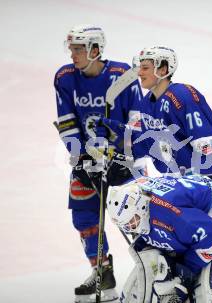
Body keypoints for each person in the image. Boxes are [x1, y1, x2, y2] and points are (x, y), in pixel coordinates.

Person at [101, 46, 212, 302]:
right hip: (187, 194)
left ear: (164, 69)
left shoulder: (183, 96)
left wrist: (188, 186)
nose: (140, 73)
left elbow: (208, 151)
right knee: (196, 267)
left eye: (146, 67)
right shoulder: (148, 103)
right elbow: (143, 141)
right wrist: (117, 146)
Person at [54, 24, 141, 302]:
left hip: (122, 160)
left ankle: (153, 272)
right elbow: (67, 121)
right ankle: (102, 273)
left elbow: (136, 120)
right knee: (84, 218)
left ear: (95, 49)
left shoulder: (122, 75)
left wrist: (120, 153)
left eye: (78, 49)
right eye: (72, 48)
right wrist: (79, 155)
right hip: (86, 159)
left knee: (139, 220)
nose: (73, 54)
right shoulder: (65, 77)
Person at [106, 174, 212, 303]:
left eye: (132, 221)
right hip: (195, 211)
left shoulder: (171, 214)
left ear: (141, 206)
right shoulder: (134, 195)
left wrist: (187, 272)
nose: (130, 228)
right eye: (125, 225)